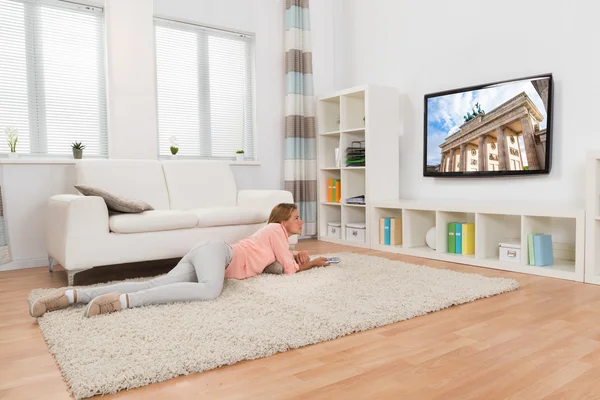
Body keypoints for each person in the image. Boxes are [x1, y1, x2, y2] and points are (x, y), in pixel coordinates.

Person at [30, 203, 330, 318]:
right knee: (210, 291)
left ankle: (73, 295)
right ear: (282, 220)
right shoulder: (277, 229)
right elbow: (288, 270)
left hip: (206, 252)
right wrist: (311, 263)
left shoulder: (271, 234)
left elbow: (279, 263)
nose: (301, 222)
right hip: (219, 253)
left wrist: (295, 256)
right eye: (297, 217)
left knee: (154, 282)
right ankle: (122, 302)